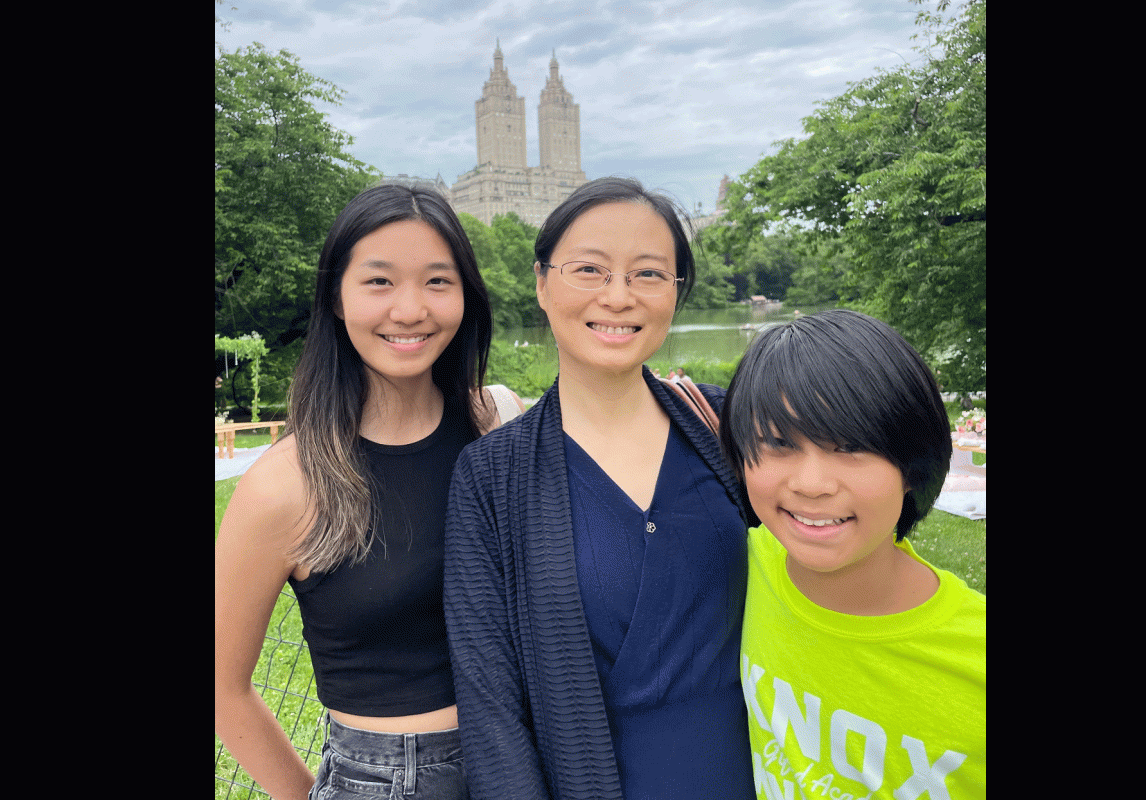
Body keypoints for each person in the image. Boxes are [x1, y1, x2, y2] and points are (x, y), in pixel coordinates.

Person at [443, 177, 757, 799]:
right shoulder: (490, 477)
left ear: (676, 291)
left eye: (648, 274)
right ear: (540, 282)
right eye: (589, 269)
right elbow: (492, 712)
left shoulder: (729, 431)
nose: (619, 297)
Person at [215, 183, 522, 800]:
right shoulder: (286, 485)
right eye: (379, 281)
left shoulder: (498, 422)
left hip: (522, 760)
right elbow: (222, 684)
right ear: (336, 296)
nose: (410, 310)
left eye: (438, 281)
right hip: (389, 780)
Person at [718, 310, 985, 799]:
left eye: (851, 446)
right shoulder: (744, 564)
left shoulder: (974, 659)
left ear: (912, 465)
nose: (812, 485)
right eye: (778, 443)